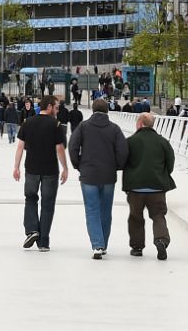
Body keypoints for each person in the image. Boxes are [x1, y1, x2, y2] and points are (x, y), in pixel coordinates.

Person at [69, 99, 128, 259]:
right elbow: (123, 151)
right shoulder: (115, 129)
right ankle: (104, 244)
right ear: (107, 110)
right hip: (108, 176)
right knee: (105, 211)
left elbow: (73, 147)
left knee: (92, 210)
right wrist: (117, 166)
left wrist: (78, 165)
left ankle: (97, 245)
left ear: (93, 110)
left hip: (88, 175)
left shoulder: (83, 127)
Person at [13, 96, 69, 250]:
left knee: (30, 198)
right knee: (47, 204)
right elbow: (59, 148)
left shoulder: (28, 122)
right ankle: (43, 242)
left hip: (31, 168)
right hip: (50, 170)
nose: (57, 110)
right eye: (56, 107)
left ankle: (32, 230)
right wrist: (65, 168)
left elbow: (20, 147)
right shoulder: (56, 125)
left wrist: (16, 167)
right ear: (49, 107)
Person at [122, 112, 176, 260]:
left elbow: (122, 161)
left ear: (139, 124)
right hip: (157, 187)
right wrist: (162, 174)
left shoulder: (130, 141)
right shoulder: (163, 142)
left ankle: (137, 247)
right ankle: (161, 240)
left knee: (135, 218)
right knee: (158, 216)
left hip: (135, 188)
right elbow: (170, 163)